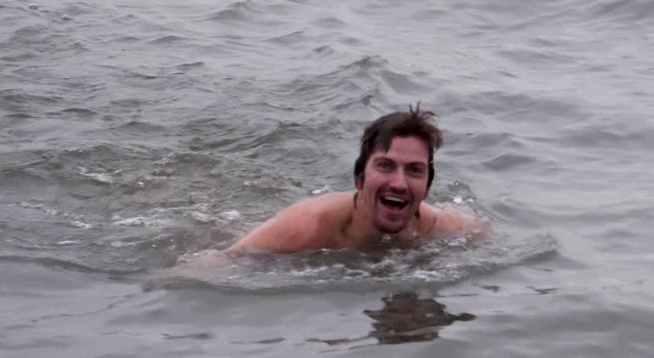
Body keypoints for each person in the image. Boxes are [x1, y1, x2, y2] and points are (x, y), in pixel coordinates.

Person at [186, 105, 487, 263]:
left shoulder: (442, 227)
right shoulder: (306, 226)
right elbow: (214, 265)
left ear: (427, 188)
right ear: (359, 179)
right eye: (385, 166)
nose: (399, 183)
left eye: (415, 171)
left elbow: (487, 236)